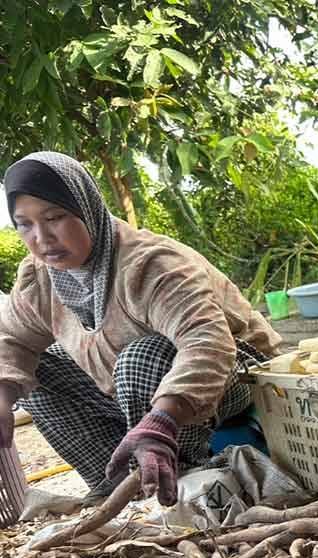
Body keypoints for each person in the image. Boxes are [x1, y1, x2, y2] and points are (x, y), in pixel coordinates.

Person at [0, 152, 281, 505]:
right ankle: (117, 488)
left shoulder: (150, 265)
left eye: (54, 217)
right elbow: (12, 340)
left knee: (141, 357)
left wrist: (162, 420)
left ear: (86, 208)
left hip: (240, 375)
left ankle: (183, 479)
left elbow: (207, 342)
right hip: (130, 387)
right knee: (39, 369)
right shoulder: (40, 277)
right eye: (24, 224)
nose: (41, 237)